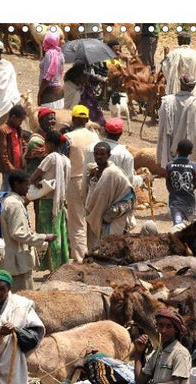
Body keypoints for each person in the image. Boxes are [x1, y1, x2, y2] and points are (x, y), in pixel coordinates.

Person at [0, 170, 54, 291]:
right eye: (26, 184)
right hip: (18, 262)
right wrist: (43, 237)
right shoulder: (15, 205)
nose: (29, 187)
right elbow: (17, 233)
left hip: (15, 259)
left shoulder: (11, 201)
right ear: (17, 184)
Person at [29, 130, 71, 269]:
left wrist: (35, 182)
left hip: (48, 201)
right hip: (60, 201)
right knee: (60, 231)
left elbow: (34, 176)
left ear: (50, 144)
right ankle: (61, 264)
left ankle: (52, 266)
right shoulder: (66, 159)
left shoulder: (51, 158)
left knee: (49, 234)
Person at [63, 105, 100, 262]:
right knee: (91, 221)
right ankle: (94, 254)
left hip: (74, 180)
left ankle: (80, 258)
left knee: (77, 222)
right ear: (86, 120)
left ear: (73, 119)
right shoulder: (95, 137)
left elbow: (64, 161)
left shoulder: (68, 138)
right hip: (93, 180)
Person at [156, 74, 196, 168]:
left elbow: (161, 127)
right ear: (193, 87)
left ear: (180, 84)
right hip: (190, 156)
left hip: (170, 153)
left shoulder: (167, 102)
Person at [85, 142, 134, 244]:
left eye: (102, 154)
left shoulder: (113, 173)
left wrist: (112, 212)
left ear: (108, 155)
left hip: (111, 218)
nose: (99, 157)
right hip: (95, 217)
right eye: (96, 154)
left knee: (111, 247)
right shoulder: (93, 173)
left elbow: (130, 195)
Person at [0, 104, 27, 191]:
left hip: (18, 166)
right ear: (13, 117)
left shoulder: (18, 129)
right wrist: (10, 167)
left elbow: (22, 144)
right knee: (7, 189)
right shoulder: (3, 130)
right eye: (20, 120)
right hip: (9, 169)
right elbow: (3, 152)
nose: (21, 122)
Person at [166, 139, 196, 225]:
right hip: (190, 202)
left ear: (177, 150)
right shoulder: (195, 166)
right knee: (189, 228)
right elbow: (195, 184)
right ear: (190, 153)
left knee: (177, 227)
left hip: (175, 202)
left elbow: (168, 184)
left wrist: (174, 192)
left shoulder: (169, 166)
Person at [98, 119, 135, 185]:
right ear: (121, 133)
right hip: (115, 194)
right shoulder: (125, 154)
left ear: (105, 131)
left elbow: (86, 174)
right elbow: (129, 181)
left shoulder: (91, 147)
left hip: (93, 192)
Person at [38, 32, 65, 109]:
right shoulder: (60, 54)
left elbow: (47, 78)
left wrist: (39, 94)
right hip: (59, 93)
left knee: (46, 118)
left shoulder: (49, 54)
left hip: (49, 93)